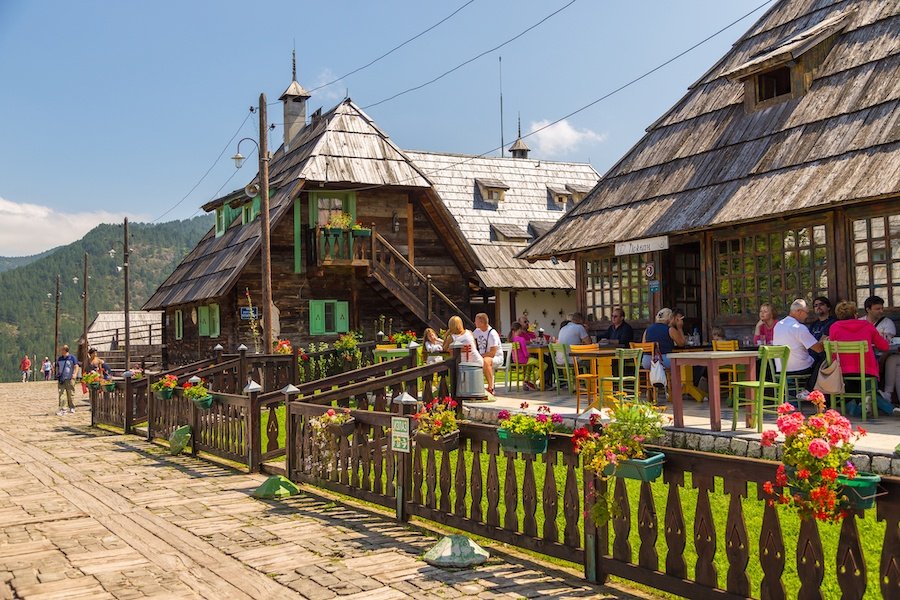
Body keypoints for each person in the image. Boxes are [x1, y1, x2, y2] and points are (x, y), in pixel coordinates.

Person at [829, 300, 896, 416]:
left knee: (849, 392)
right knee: (870, 390)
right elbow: (884, 346)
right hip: (866, 370)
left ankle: (858, 408)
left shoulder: (834, 327)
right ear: (855, 314)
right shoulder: (867, 326)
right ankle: (889, 409)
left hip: (842, 371)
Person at [772, 299, 824, 398]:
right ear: (799, 311)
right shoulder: (798, 327)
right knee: (824, 358)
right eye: (806, 313)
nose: (807, 316)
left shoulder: (778, 325)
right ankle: (808, 390)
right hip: (799, 368)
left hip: (781, 368)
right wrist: (823, 341)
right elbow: (819, 349)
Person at [443, 315, 486, 388]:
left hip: (463, 364)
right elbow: (474, 346)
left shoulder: (452, 337)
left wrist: (447, 334)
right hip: (477, 360)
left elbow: (444, 348)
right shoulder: (469, 333)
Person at [473, 313, 503, 394]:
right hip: (482, 356)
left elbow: (492, 353)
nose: (474, 322)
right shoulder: (477, 331)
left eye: (476, 321)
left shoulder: (492, 333)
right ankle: (474, 388)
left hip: (496, 357)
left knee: (486, 361)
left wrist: (479, 356)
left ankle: (491, 387)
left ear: (482, 322)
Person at [509, 322, 541, 390]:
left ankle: (526, 380)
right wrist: (530, 355)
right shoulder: (521, 339)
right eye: (520, 329)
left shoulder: (511, 340)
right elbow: (525, 353)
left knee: (530, 364)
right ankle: (532, 381)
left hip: (515, 360)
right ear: (519, 329)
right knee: (543, 365)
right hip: (524, 360)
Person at [55, 345, 80, 416]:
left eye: (62, 350)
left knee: (70, 393)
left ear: (65, 350)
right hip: (62, 379)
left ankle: (72, 407)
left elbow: (76, 366)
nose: (61, 351)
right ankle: (63, 408)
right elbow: (57, 366)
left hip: (70, 378)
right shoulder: (60, 359)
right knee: (61, 393)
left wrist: (75, 374)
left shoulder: (72, 358)